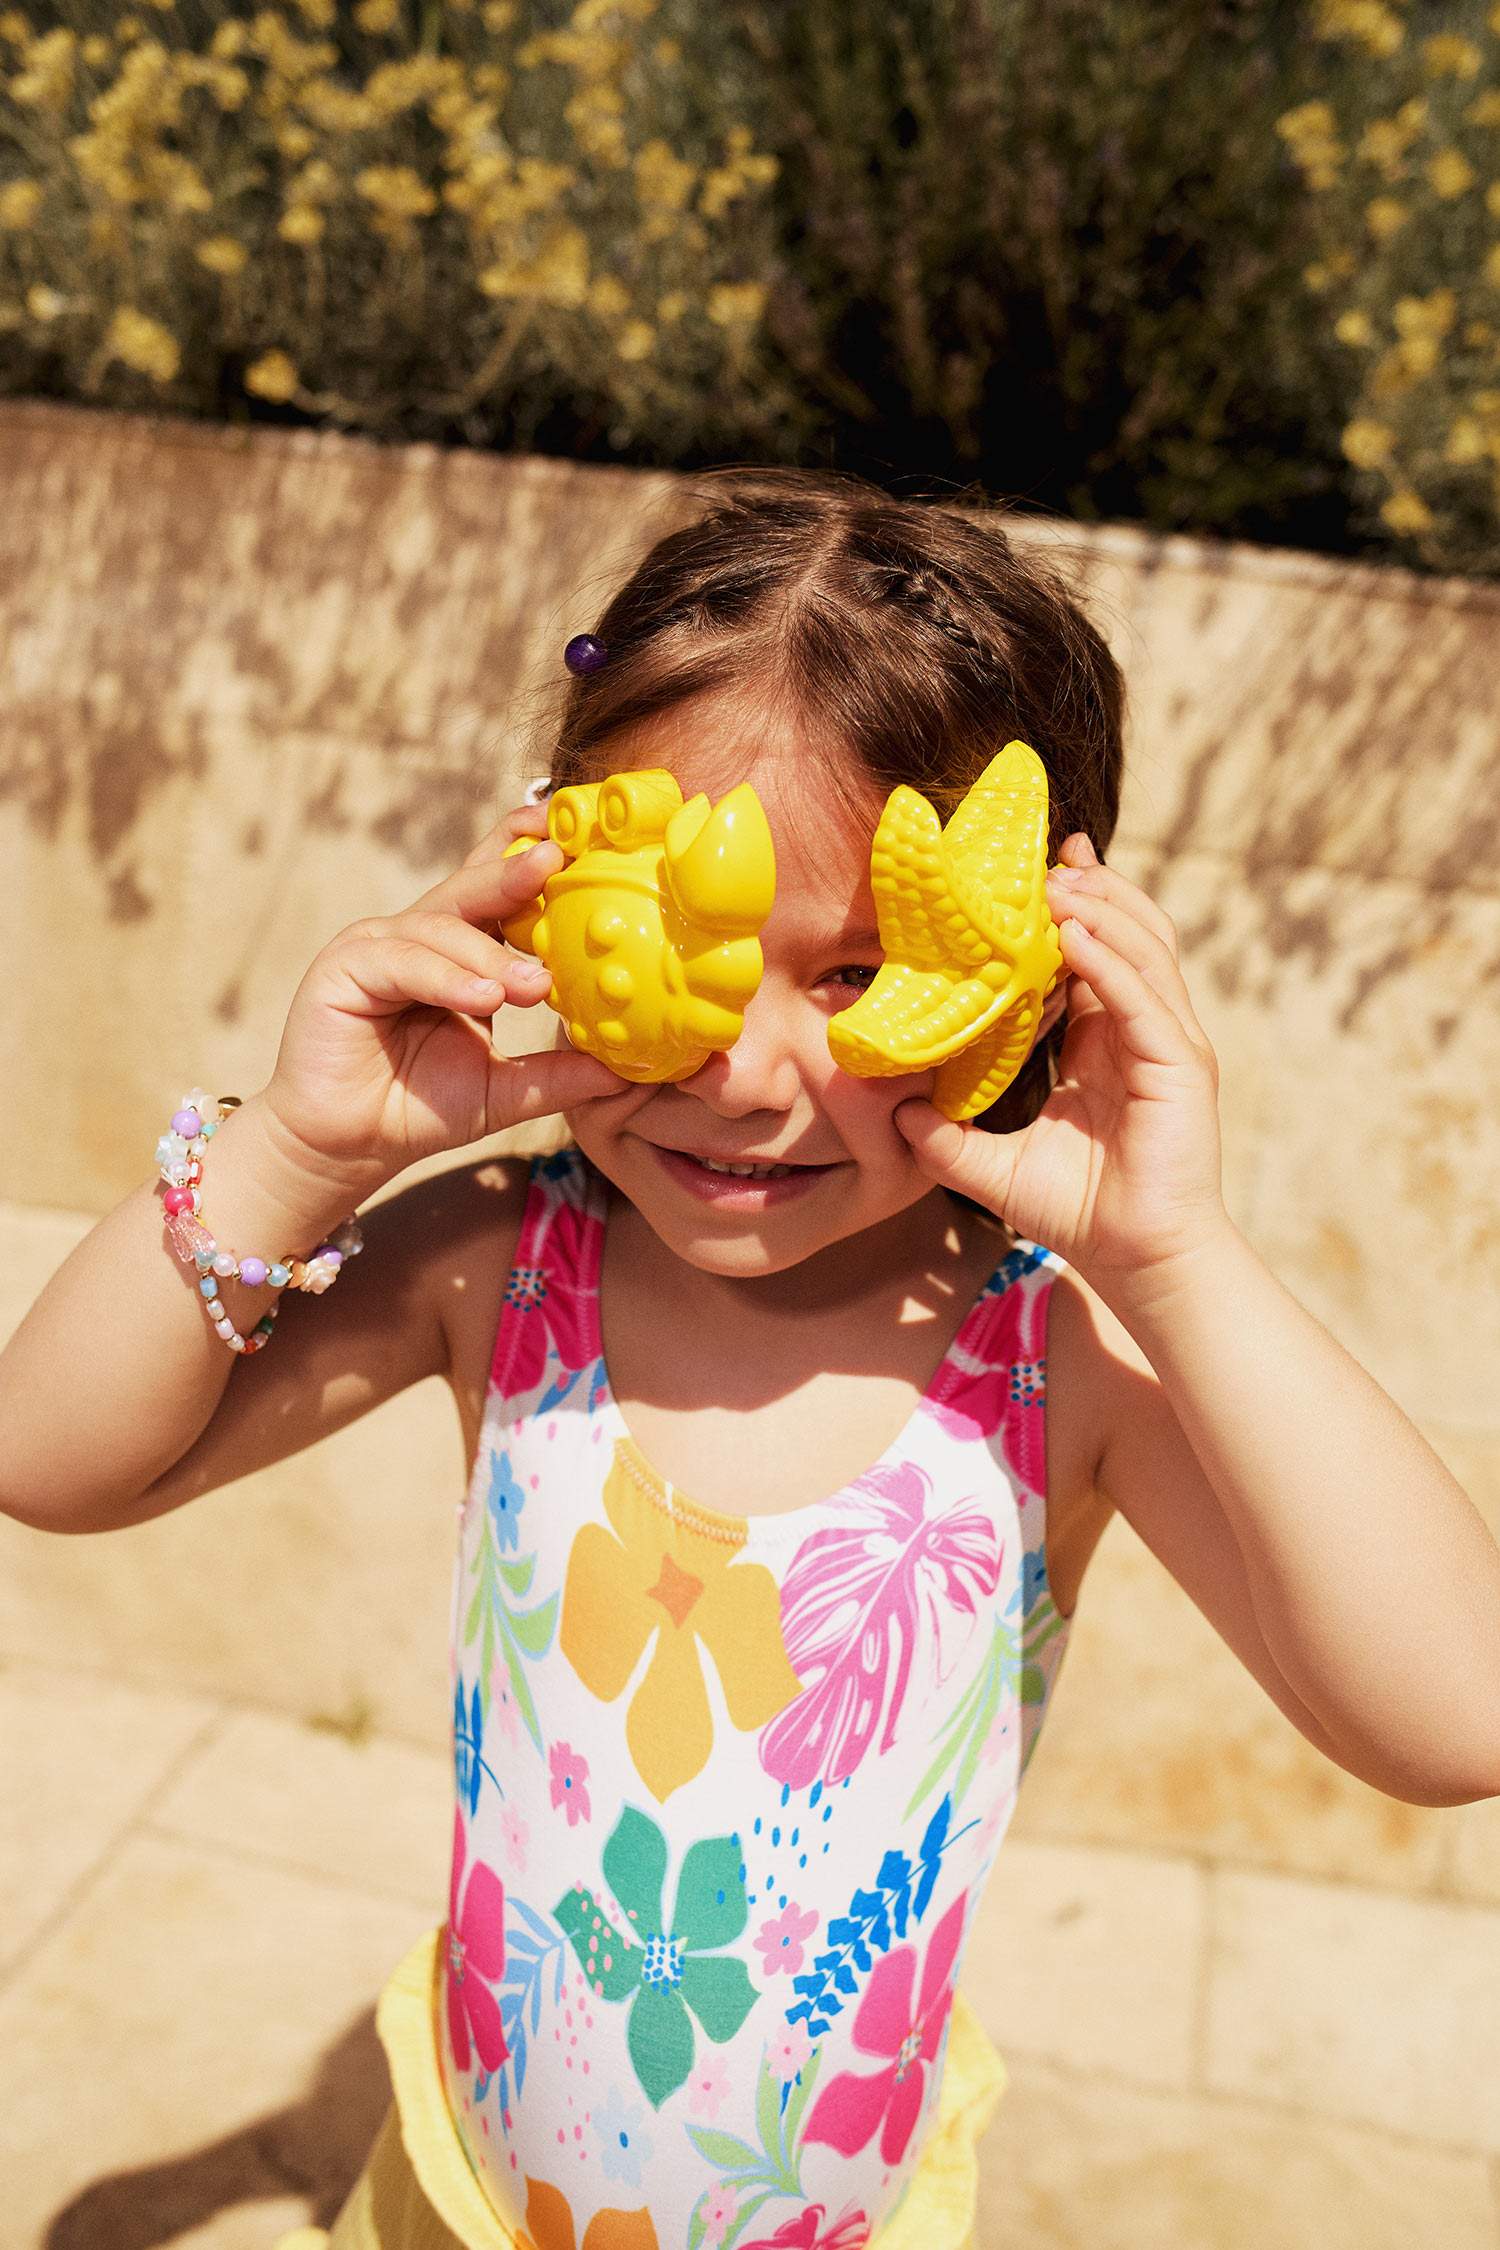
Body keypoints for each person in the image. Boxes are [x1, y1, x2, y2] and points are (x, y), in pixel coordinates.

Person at [4, 469, 1498, 2250]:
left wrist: (1174, 1252)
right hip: (450, 2201)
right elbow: (50, 1455)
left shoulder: (1047, 1357)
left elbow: (1452, 1716)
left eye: (865, 968)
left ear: (1036, 968)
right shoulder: (505, 1259)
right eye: (694, 960)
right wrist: (300, 1155)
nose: (749, 1075)